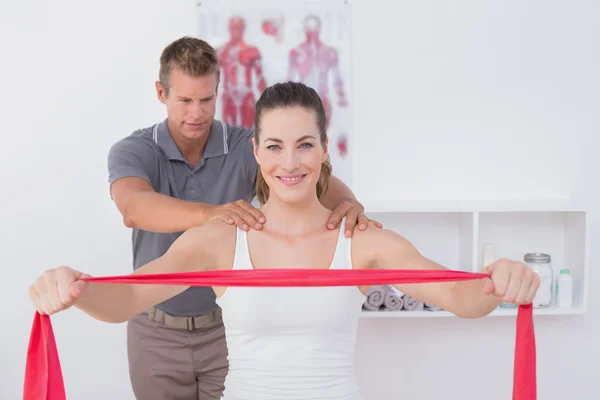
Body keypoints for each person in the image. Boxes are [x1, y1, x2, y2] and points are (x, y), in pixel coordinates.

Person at [30, 81, 540, 400]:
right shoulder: (220, 239)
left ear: (323, 150)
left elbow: (460, 295)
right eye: (275, 146)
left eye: (304, 145)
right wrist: (75, 287)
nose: (290, 162)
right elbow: (129, 297)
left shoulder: (359, 241)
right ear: (255, 152)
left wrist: (502, 280)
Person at [105, 36, 379, 399]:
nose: (196, 113)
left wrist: (351, 206)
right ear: (161, 93)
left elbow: (314, 177)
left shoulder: (244, 146)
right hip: (156, 329)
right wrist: (214, 214)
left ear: (218, 92)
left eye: (206, 99)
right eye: (185, 100)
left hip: (224, 327)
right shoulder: (135, 150)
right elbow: (134, 208)